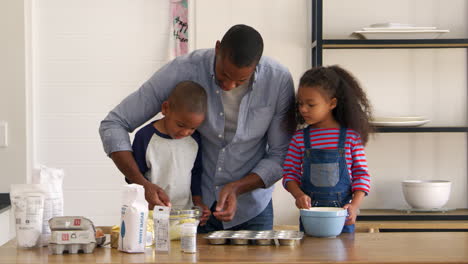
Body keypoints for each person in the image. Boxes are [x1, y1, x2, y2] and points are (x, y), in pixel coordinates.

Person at [99, 24, 296, 232]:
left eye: (241, 81)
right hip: (193, 212)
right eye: (224, 75)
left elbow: (281, 153)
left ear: (257, 65)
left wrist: (238, 187)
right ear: (217, 49)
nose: (229, 86)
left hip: (252, 208)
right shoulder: (184, 69)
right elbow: (114, 124)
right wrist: (142, 184)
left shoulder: (278, 80)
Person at [282, 65, 372, 233]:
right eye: (300, 103)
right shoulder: (299, 138)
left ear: (332, 103)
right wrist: (298, 195)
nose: (303, 109)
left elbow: (362, 175)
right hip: (310, 218)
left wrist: (354, 206)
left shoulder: (351, 138)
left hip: (343, 219)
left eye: (311, 104)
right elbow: (289, 174)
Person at [130, 80, 210, 224]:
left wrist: (198, 204)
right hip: (149, 218)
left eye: (192, 128)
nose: (185, 132)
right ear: (166, 108)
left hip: (184, 219)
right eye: (180, 125)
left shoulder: (195, 140)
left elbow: (196, 174)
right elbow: (133, 178)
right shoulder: (145, 137)